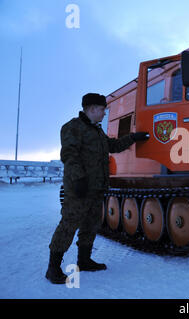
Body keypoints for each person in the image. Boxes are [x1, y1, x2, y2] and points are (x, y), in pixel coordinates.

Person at [46, 93, 149, 284]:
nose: (104, 113)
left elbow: (113, 146)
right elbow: (69, 155)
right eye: (102, 109)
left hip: (96, 188)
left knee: (91, 225)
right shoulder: (73, 127)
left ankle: (84, 261)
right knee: (69, 224)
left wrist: (133, 138)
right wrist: (78, 179)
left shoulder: (97, 131)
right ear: (92, 108)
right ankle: (53, 268)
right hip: (79, 187)